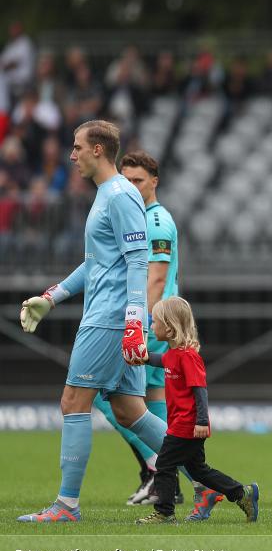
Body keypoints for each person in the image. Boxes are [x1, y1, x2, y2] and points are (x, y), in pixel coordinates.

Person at [18, 120, 168, 523]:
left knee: (73, 402)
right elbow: (95, 264)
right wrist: (51, 298)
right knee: (129, 412)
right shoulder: (107, 195)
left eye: (77, 147)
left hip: (109, 319)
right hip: (112, 317)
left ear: (98, 150)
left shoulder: (119, 196)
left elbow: (140, 261)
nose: (72, 155)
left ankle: (66, 506)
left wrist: (134, 321)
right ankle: (210, 486)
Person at [85, 150, 186, 506]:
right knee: (149, 404)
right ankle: (169, 478)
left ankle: (163, 471)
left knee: (103, 393)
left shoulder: (155, 221)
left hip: (149, 327)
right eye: (125, 180)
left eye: (138, 180)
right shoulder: (139, 218)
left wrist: (136, 327)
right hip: (153, 325)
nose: (130, 186)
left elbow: (156, 280)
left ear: (154, 182)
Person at [136, 297, 259, 524]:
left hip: (188, 424)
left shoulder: (189, 357)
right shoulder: (173, 355)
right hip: (181, 423)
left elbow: (200, 390)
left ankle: (164, 512)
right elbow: (159, 360)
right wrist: (141, 357)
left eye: (155, 322)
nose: (151, 326)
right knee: (199, 470)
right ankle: (243, 494)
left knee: (164, 465)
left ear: (170, 326)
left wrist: (202, 421)